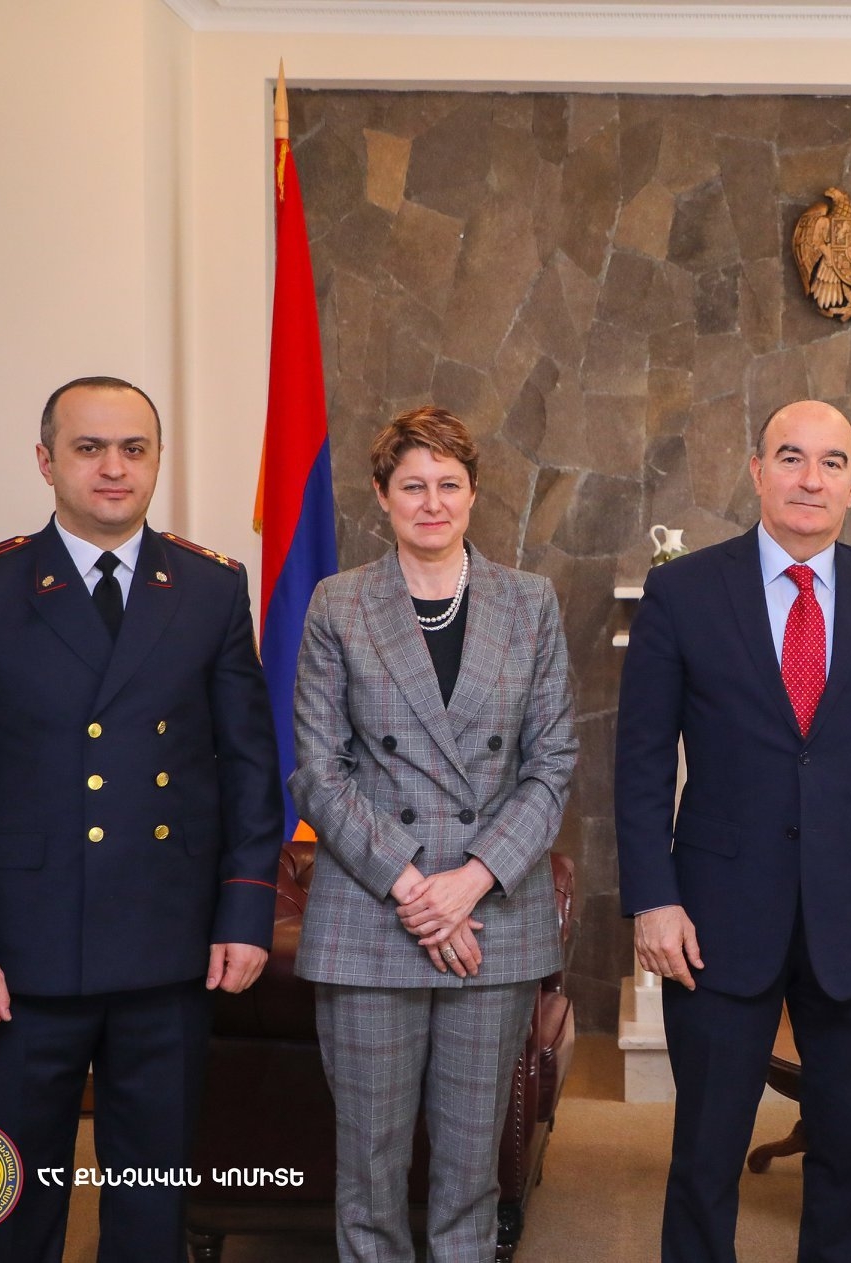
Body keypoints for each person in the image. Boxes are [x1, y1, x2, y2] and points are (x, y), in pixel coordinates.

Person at [0, 375, 284, 1262]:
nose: (114, 467)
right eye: (89, 448)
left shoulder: (210, 586)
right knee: (7, 1195)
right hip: (17, 955)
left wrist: (243, 911)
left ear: (156, 461)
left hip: (169, 945)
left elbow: (250, 769)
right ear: (46, 461)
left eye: (134, 449)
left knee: (153, 1195)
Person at [616, 399, 851, 1263]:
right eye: (791, 457)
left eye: (832, 462)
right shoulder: (683, 593)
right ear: (757, 470)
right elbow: (642, 761)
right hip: (714, 916)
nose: (811, 478)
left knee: (850, 1153)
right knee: (705, 1153)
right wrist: (653, 899)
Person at [289, 406, 577, 1262]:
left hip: (491, 919)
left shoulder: (529, 602)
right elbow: (318, 769)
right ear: (382, 495)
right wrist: (415, 887)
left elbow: (552, 763)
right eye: (412, 485)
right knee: (370, 1173)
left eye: (449, 484)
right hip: (374, 915)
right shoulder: (339, 603)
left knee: (469, 1175)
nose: (432, 501)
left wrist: (471, 880)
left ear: (474, 492)